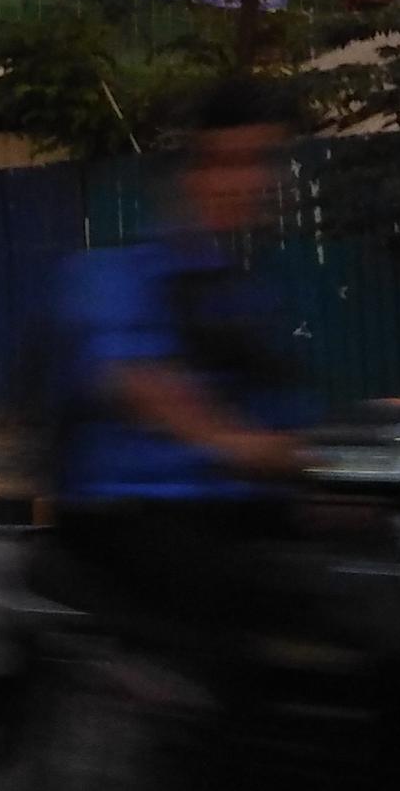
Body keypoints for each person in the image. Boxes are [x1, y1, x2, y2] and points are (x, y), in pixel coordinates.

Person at [38, 78, 319, 698]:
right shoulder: (115, 274)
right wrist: (237, 443)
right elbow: (136, 378)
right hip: (134, 510)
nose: (247, 182)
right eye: (228, 163)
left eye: (261, 162)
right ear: (187, 174)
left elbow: (286, 410)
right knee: (233, 641)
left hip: (236, 505)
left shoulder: (242, 289)